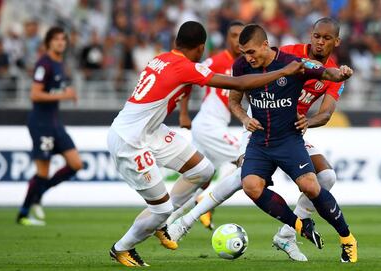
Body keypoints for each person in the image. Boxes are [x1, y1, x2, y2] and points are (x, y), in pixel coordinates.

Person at [107, 21, 304, 267]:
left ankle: (162, 224)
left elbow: (180, 84)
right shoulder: (185, 67)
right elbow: (240, 84)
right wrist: (283, 72)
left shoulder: (162, 58)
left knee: (203, 171)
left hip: (151, 131)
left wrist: (182, 114)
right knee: (160, 209)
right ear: (201, 48)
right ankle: (122, 248)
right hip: (130, 140)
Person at [169, 23, 358, 263]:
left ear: (336, 42)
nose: (320, 41)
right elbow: (238, 94)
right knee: (245, 179)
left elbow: (326, 112)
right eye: (316, 36)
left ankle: (287, 235)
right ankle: (185, 223)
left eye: (326, 38)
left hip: (291, 130)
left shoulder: (321, 71)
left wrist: (308, 122)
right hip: (257, 127)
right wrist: (246, 118)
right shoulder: (289, 53)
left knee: (326, 177)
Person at [166, 21, 245, 230]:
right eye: (234, 35)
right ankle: (205, 201)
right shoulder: (218, 61)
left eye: (241, 36)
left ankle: (165, 221)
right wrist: (183, 113)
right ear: (227, 38)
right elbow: (188, 76)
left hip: (212, 127)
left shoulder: (246, 64)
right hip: (209, 125)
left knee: (199, 178)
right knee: (246, 160)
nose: (238, 41)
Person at [16, 27, 83, 226]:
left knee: (76, 164)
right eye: (56, 39)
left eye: (63, 39)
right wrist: (65, 95)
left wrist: (65, 90)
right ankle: (23, 214)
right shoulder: (43, 64)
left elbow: (53, 89)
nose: (61, 42)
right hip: (41, 123)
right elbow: (35, 94)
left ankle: (39, 193)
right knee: (42, 172)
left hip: (55, 123)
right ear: (48, 43)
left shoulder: (60, 64)